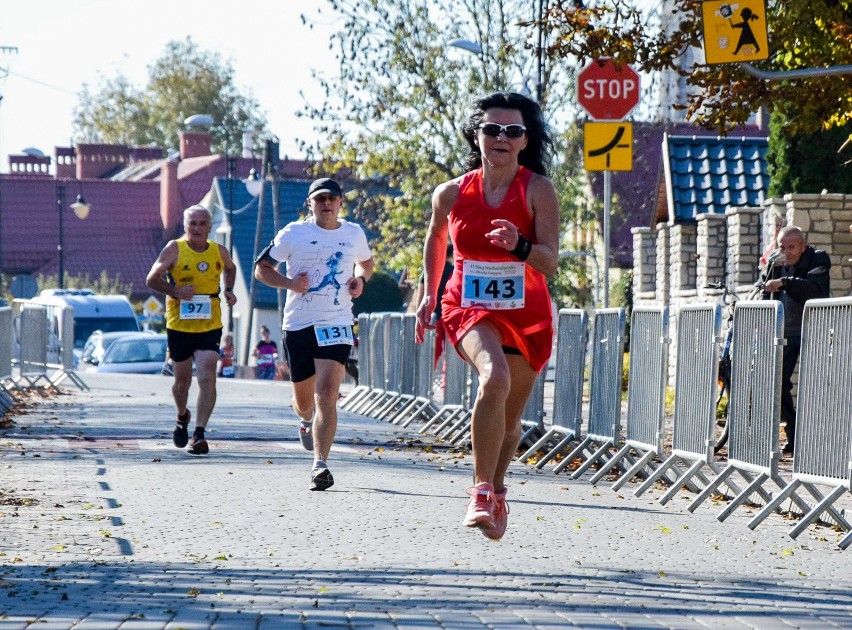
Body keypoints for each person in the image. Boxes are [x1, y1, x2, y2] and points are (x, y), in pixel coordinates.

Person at [415, 92, 559, 540]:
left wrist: (519, 245)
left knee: (512, 421)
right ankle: (479, 492)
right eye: (492, 129)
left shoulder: (538, 190)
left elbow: (549, 261)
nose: (501, 137)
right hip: (468, 305)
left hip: (525, 313)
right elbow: (437, 239)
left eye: (512, 131)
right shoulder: (452, 192)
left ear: (524, 140)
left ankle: (497, 490)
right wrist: (428, 293)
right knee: (493, 377)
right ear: (476, 135)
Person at [254, 177, 373, 491]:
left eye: (332, 198)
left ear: (340, 202)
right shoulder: (294, 233)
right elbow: (261, 269)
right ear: (310, 203)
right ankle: (305, 421)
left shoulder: (354, 233)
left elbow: (366, 263)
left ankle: (320, 464)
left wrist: (360, 280)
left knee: (327, 394)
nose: (326, 204)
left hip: (337, 323)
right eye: (320, 199)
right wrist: (291, 284)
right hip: (299, 325)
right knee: (305, 402)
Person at [146, 204, 237, 456]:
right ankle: (182, 415)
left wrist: (228, 290)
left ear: (209, 227)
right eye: (192, 224)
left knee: (208, 375)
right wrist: (175, 292)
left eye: (201, 223)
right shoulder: (175, 248)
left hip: (210, 322)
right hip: (180, 323)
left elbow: (230, 268)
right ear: (185, 227)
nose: (196, 228)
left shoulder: (219, 251)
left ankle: (199, 433)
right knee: (182, 382)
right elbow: (151, 279)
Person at [762, 225, 831, 455]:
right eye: (782, 246)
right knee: (778, 383)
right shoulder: (777, 262)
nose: (787, 251)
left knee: (815, 386)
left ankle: (820, 439)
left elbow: (814, 291)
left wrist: (786, 282)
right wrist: (771, 273)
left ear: (802, 246)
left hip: (813, 330)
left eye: (792, 247)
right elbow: (765, 294)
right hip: (786, 332)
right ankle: (793, 436)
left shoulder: (817, 258)